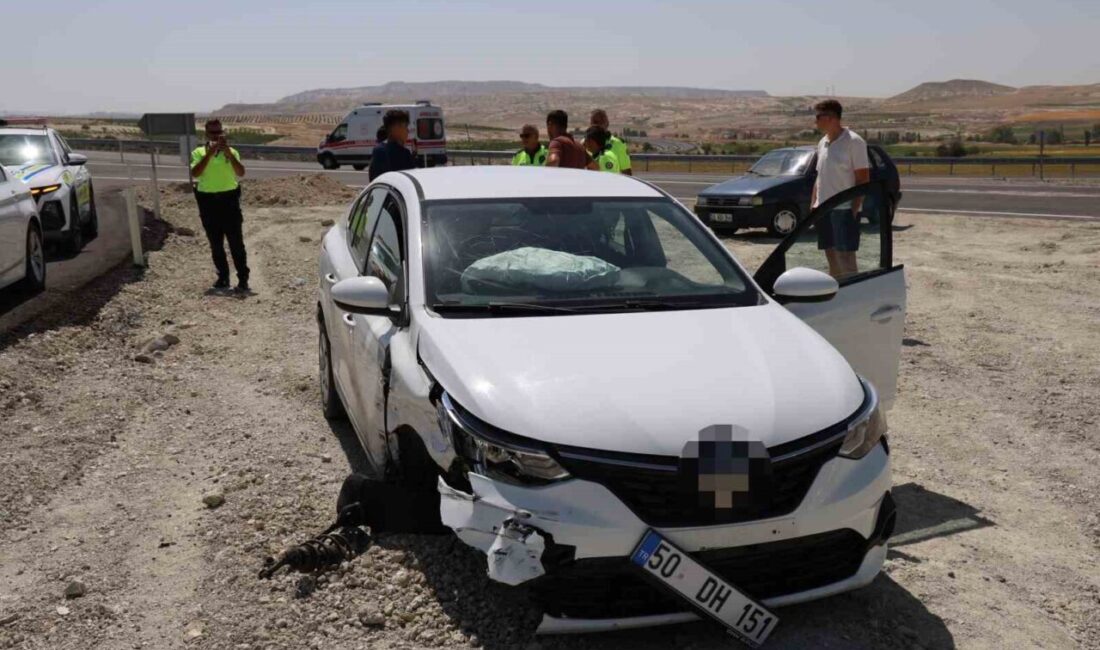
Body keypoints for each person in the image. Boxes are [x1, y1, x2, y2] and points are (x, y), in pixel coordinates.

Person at [810, 99, 870, 278]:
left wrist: (854, 209)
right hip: (823, 208)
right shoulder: (822, 142)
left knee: (846, 257)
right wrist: (814, 204)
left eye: (818, 117)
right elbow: (820, 176)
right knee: (830, 254)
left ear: (831, 117)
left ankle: (853, 291)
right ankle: (835, 289)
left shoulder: (854, 142)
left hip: (844, 209)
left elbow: (863, 179)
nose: (816, 121)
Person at [191, 119, 249, 292]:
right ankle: (223, 277)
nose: (216, 136)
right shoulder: (198, 152)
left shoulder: (232, 152)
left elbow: (241, 172)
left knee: (236, 243)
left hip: (229, 200)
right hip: (207, 201)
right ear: (206, 134)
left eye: (219, 133)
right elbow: (195, 173)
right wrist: (210, 153)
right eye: (213, 133)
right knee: (216, 243)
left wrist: (228, 154)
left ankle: (243, 279)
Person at [368, 110, 417, 181]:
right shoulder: (403, 154)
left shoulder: (377, 151)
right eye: (405, 127)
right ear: (396, 128)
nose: (407, 131)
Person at [589, 109, 633, 176]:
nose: (598, 125)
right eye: (595, 122)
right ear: (591, 124)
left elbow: (626, 171)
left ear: (607, 123)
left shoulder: (618, 144)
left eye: (602, 121)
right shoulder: (584, 144)